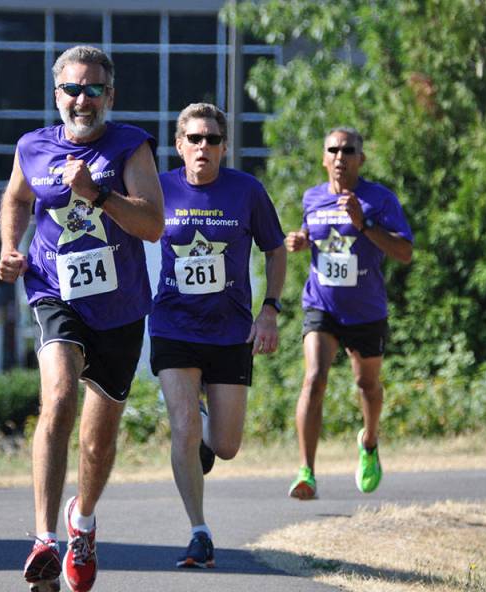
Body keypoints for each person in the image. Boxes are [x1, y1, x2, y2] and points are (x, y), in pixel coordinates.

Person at [0, 45, 164, 592]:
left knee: (97, 441)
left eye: (93, 89)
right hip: (54, 292)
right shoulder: (33, 146)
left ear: (109, 96)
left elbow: (153, 224)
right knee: (59, 396)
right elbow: (17, 199)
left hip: (119, 308)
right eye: (72, 88)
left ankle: (83, 521)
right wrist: (10, 246)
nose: (81, 99)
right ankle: (45, 539)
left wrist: (99, 194)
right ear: (56, 94)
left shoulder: (131, 145)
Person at [149, 103, 286, 567]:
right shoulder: (159, 189)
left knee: (224, 447)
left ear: (224, 146)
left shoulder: (246, 191)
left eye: (211, 139)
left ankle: (206, 431)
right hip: (173, 325)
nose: (202, 147)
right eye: (194, 138)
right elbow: (120, 232)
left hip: (229, 331)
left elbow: (275, 249)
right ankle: (199, 531)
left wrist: (269, 310)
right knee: (183, 428)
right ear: (179, 145)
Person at [284, 127, 413, 501]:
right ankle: (306, 471)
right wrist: (301, 240)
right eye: (333, 150)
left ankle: (369, 441)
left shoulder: (379, 200)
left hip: (366, 311)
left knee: (367, 386)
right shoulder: (313, 198)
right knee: (314, 378)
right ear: (324, 158)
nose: (340, 156)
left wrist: (364, 223)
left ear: (361, 158)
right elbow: (315, 233)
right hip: (321, 304)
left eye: (348, 150)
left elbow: (404, 253)